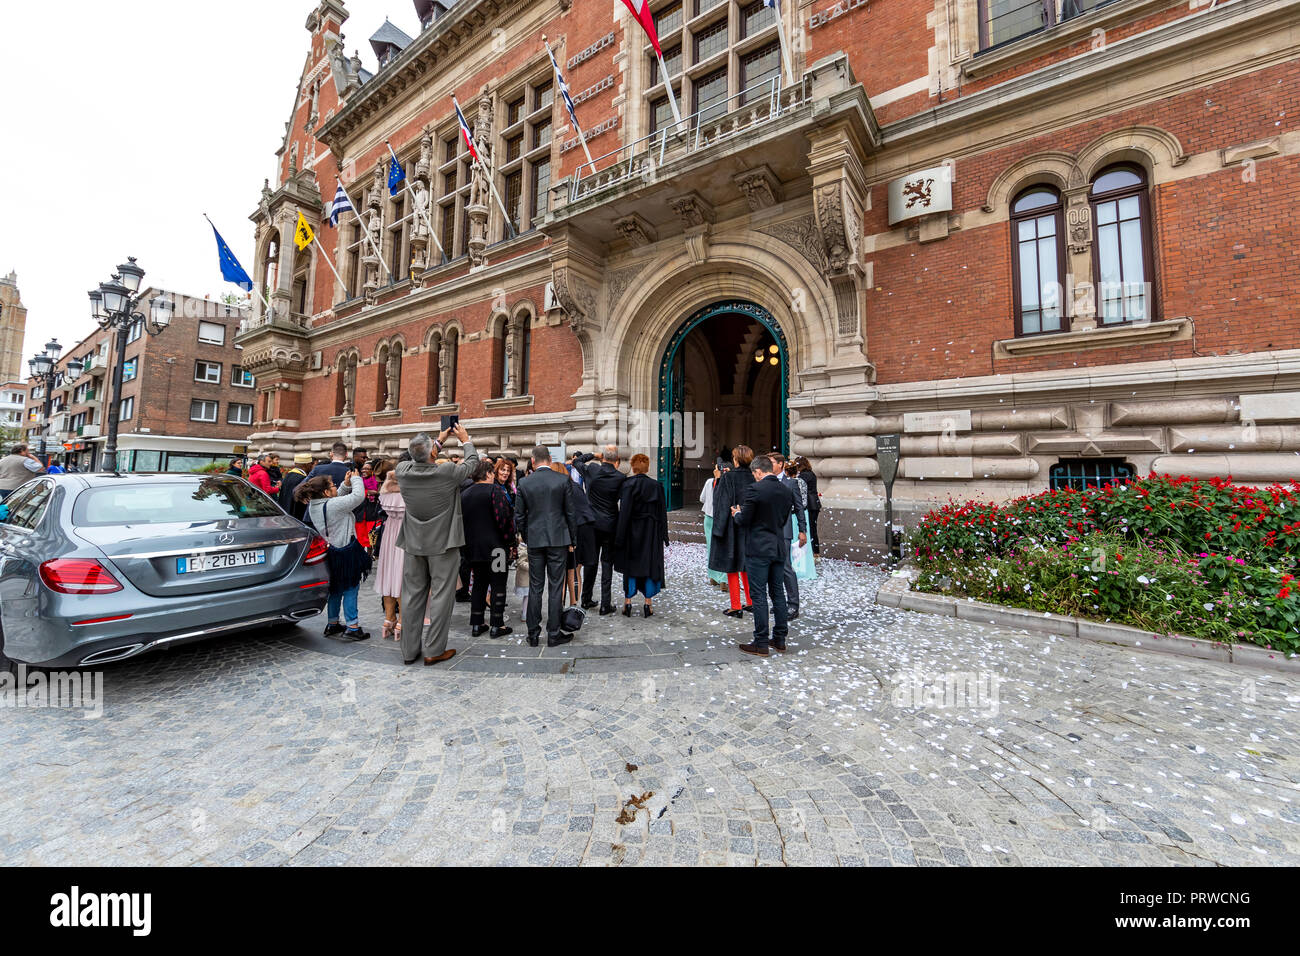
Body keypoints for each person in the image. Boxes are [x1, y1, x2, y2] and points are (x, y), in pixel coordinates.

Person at [395, 426, 478, 666]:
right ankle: (433, 649)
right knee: (442, 597)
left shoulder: (402, 471)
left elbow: (414, 458)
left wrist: (437, 442)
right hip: (443, 544)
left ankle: (409, 651)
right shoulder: (447, 472)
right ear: (433, 453)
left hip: (413, 543)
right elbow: (472, 463)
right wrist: (465, 440)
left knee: (411, 597)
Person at [731, 455, 797, 657]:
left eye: (754, 473)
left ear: (759, 471)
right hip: (778, 547)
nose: (754, 476)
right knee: (777, 593)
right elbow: (784, 518)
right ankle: (779, 639)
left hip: (758, 548)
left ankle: (760, 642)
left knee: (758, 595)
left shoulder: (755, 489)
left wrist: (736, 514)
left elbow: (745, 519)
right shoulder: (786, 490)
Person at [296, 471, 371, 642]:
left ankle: (332, 624)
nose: (335, 487)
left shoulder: (317, 504)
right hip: (346, 551)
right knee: (351, 588)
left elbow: (337, 502)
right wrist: (356, 479)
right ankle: (353, 627)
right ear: (325, 492)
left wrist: (344, 485)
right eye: (333, 486)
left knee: (336, 589)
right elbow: (358, 496)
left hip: (333, 552)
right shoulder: (332, 506)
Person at [514, 445, 577, 648]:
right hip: (558, 539)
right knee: (556, 586)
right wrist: (572, 539)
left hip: (535, 539)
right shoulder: (562, 480)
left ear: (533, 461)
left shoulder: (524, 482)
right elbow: (570, 513)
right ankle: (553, 633)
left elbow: (519, 515)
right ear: (549, 459)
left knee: (535, 586)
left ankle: (533, 634)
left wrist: (525, 535)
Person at [461, 459, 516, 638]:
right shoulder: (495, 491)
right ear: (487, 474)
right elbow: (504, 520)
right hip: (496, 548)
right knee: (498, 584)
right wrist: (510, 543)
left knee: (479, 584)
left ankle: (477, 624)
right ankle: (497, 625)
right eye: (492, 473)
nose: (494, 476)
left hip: (474, 548)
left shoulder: (465, 494)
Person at [614, 453, 669, 618]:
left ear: (632, 466)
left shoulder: (628, 484)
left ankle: (628, 602)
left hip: (631, 531)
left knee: (630, 566)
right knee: (649, 565)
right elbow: (662, 513)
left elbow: (624, 512)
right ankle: (648, 603)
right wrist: (664, 536)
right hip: (651, 532)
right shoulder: (656, 486)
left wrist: (619, 537)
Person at [709, 445, 756, 618]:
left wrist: (718, 480)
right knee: (746, 565)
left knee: (732, 565)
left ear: (736, 460)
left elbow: (720, 503)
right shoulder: (755, 477)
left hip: (731, 527)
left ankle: (736, 606)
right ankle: (751, 601)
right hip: (750, 526)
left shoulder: (728, 478)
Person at [582, 444, 627, 614]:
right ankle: (605, 604)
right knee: (607, 564)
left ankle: (586, 599)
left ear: (603, 458)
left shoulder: (593, 469)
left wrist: (594, 454)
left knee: (590, 563)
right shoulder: (620, 477)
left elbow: (577, 461)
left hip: (592, 524)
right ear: (618, 460)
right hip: (610, 525)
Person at [373, 458, 407, 641]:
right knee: (401, 578)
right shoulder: (409, 491)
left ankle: (388, 619)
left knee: (388, 577)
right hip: (405, 534)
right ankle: (402, 621)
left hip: (389, 534)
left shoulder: (385, 490)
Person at [770, 453, 807, 619]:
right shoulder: (765, 481)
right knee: (772, 568)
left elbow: (799, 508)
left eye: (771, 463)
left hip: (784, 531)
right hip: (767, 530)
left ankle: (793, 605)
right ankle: (779, 602)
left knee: (785, 567)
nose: (768, 465)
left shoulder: (791, 483)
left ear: (781, 464)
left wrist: (802, 530)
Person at [785, 461, 817, 583]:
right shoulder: (802, 481)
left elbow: (796, 501)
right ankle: (802, 568)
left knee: (794, 541)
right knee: (801, 543)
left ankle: (795, 568)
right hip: (803, 512)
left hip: (794, 515)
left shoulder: (791, 483)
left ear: (787, 471)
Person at [699, 459, 728, 588]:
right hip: (722, 518)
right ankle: (723, 578)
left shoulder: (709, 482)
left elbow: (702, 498)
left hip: (709, 517)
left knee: (711, 548)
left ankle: (713, 576)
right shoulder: (727, 482)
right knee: (723, 548)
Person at [796, 456, 822, 555]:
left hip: (810, 505)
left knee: (810, 529)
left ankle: (814, 552)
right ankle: (815, 552)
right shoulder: (811, 474)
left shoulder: (803, 476)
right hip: (815, 504)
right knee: (813, 529)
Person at [353, 461, 382, 548]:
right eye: (363, 469)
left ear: (372, 471)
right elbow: (353, 492)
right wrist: (366, 492)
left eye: (367, 469)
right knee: (360, 539)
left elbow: (381, 493)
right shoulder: (358, 480)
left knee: (371, 539)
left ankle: (370, 557)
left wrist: (376, 493)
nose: (363, 471)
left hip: (372, 512)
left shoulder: (377, 481)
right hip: (360, 513)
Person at [279, 453, 313, 520]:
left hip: (285, 511)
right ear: (306, 465)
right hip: (296, 515)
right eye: (311, 464)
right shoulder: (302, 478)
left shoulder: (288, 475)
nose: (312, 467)